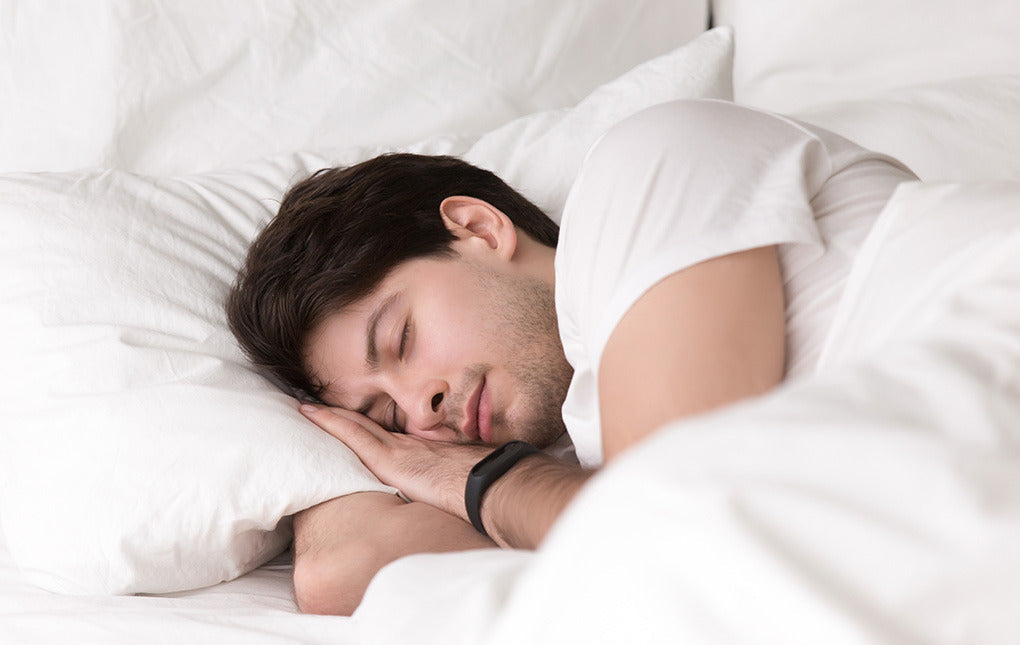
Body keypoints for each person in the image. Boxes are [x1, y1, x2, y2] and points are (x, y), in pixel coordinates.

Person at [226, 99, 917, 615]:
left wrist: (488, 482)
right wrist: (357, 458)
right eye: (385, 415)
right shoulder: (579, 457)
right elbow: (337, 573)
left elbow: (669, 519)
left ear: (477, 228)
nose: (420, 409)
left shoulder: (645, 167)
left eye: (401, 339)